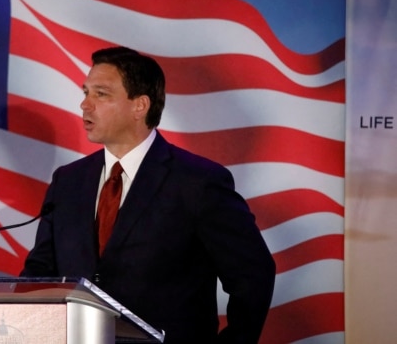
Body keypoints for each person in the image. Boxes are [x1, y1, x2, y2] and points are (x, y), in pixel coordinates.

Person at [21, 46, 276, 343]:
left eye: (100, 94)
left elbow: (252, 275)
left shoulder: (198, 182)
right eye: (86, 92)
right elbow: (40, 273)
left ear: (139, 106)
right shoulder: (68, 180)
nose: (85, 105)